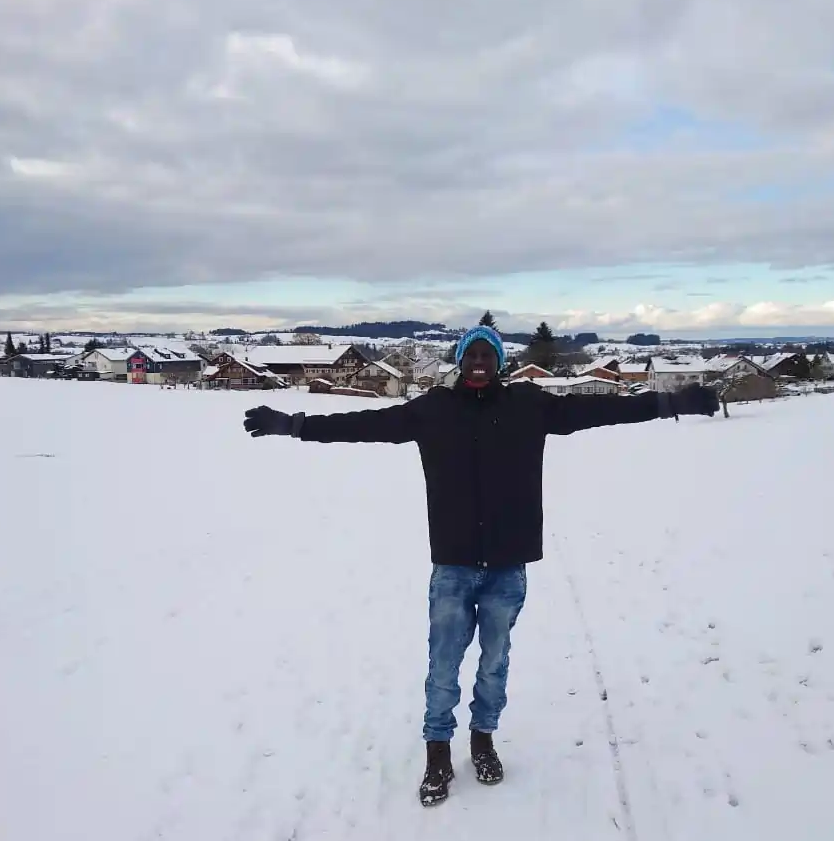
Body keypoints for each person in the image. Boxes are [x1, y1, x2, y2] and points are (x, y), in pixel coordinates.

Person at [244, 326, 719, 806]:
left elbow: (601, 410)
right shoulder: (433, 410)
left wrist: (670, 403)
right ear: (459, 360)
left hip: (508, 566)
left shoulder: (529, 406)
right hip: (453, 564)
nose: (477, 362)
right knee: (443, 665)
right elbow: (365, 424)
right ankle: (437, 752)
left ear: (498, 363)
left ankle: (483, 739)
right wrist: (295, 424)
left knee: (494, 662)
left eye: (486, 355)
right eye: (470, 354)